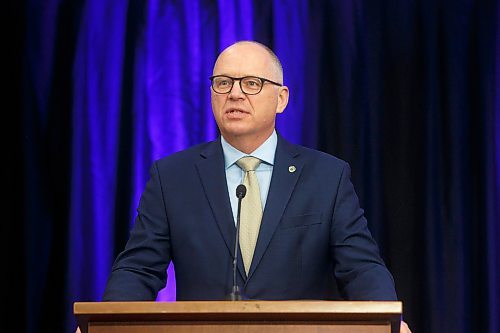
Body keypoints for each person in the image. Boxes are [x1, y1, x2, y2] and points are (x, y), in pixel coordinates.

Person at [96, 40, 411, 333]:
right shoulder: (173, 177)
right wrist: (106, 322)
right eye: (223, 83)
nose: (234, 94)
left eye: (252, 83)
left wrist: (390, 323)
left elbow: (361, 269)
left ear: (281, 99)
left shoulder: (326, 177)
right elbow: (138, 269)